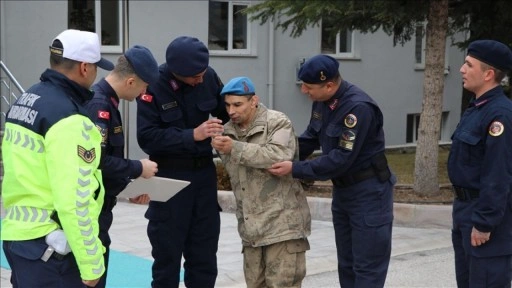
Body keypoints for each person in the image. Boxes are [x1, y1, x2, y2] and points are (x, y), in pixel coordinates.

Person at [268, 55, 395, 288]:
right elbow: (310, 137)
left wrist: (295, 169)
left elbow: (340, 159)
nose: (304, 90)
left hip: (368, 193)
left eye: (308, 86)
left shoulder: (358, 109)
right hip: (344, 192)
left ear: (329, 85)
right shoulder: (322, 101)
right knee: (346, 263)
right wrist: (276, 153)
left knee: (367, 267)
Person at [1, 29, 114, 287]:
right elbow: (74, 201)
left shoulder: (25, 99)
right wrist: (92, 263)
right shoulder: (71, 119)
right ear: (85, 67)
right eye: (96, 67)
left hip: (21, 240)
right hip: (53, 248)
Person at [136, 36, 229, 288]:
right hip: (169, 177)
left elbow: (226, 113)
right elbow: (147, 138)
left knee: (205, 256)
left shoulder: (208, 76)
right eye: (194, 77)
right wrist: (193, 135)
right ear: (176, 73)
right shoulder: (153, 84)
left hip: (204, 178)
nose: (200, 79)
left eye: (202, 73)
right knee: (167, 259)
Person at [211, 76, 312, 288]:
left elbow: (278, 155)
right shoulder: (228, 132)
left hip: (282, 226)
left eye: (238, 104)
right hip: (251, 229)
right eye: (227, 105)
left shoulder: (277, 121)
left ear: (254, 100)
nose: (231, 111)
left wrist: (235, 148)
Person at [84, 45, 160, 288]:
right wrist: (138, 168)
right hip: (92, 212)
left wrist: (128, 188)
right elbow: (95, 161)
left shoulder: (108, 102)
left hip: (102, 207)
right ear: (130, 82)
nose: (144, 93)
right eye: (144, 86)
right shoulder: (100, 106)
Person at [449, 39, 512, 288]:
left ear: (488, 74)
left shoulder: (500, 115)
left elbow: (498, 174)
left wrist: (484, 223)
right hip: (465, 211)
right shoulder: (476, 108)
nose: (462, 69)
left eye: (468, 64)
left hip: (486, 218)